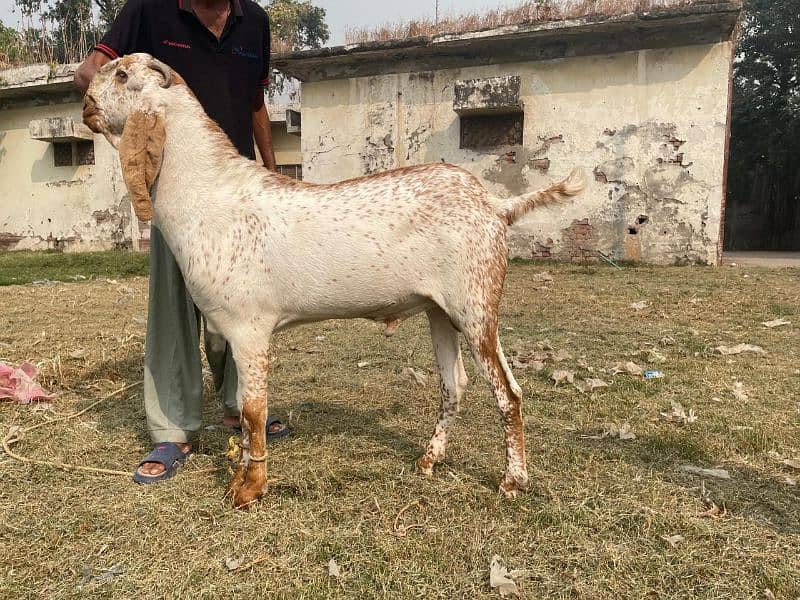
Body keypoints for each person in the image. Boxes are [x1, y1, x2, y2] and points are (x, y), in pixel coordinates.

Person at [75, 0, 289, 484]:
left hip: (239, 193)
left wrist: (272, 170)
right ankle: (173, 428)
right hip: (177, 193)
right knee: (174, 305)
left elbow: (255, 104)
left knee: (241, 304)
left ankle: (239, 408)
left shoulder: (254, 21)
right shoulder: (148, 12)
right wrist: (108, 97)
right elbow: (89, 73)